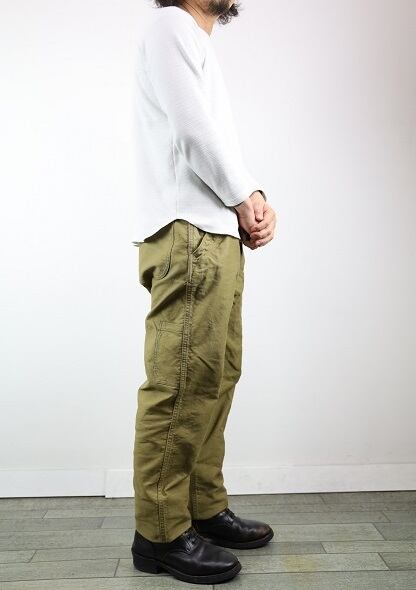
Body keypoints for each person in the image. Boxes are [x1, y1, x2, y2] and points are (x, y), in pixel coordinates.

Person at [131, 0, 277, 584]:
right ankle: (160, 533)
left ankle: (203, 507)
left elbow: (210, 137)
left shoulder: (193, 39)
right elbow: (193, 133)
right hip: (189, 232)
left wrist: (252, 196)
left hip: (215, 233)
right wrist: (246, 198)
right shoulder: (170, 25)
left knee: (216, 375)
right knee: (181, 382)